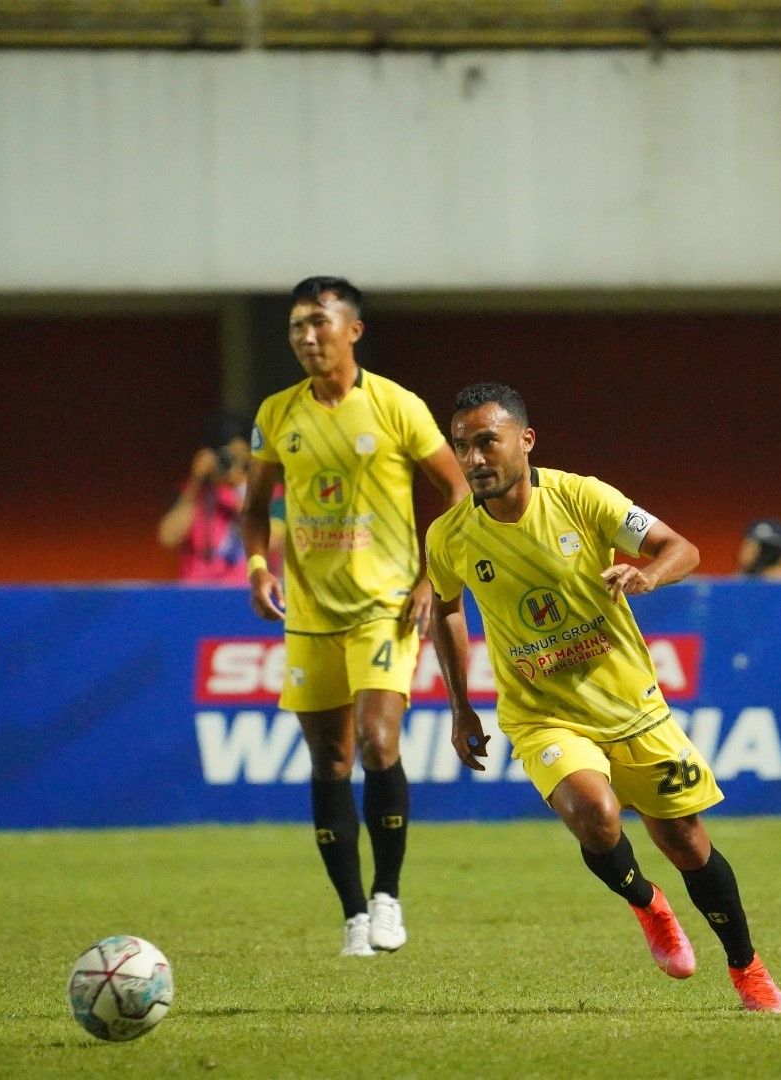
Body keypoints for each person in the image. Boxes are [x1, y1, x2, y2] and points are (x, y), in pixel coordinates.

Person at [425, 382, 781, 1013]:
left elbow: (682, 548)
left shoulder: (582, 496)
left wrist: (647, 573)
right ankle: (648, 904)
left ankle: (748, 969)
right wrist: (460, 706)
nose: (474, 459)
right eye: (462, 447)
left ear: (525, 441)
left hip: (630, 705)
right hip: (542, 714)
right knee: (594, 814)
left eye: (487, 441)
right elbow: (446, 610)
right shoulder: (449, 536)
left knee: (686, 842)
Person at [241, 276, 469, 957]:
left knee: (377, 740)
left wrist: (434, 576)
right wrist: (257, 567)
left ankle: (387, 896)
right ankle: (352, 918)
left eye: (318, 323)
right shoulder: (278, 414)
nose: (307, 338)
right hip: (310, 615)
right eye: (295, 329)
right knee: (330, 759)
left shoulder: (397, 406)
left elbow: (458, 491)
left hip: (386, 608)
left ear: (353, 330)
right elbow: (254, 509)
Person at [157, 413, 284, 583]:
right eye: (227, 458)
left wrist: (237, 490)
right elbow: (168, 538)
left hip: (251, 592)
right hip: (202, 593)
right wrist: (196, 482)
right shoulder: (194, 494)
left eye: (241, 457)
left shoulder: (271, 493)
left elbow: (272, 542)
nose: (234, 465)